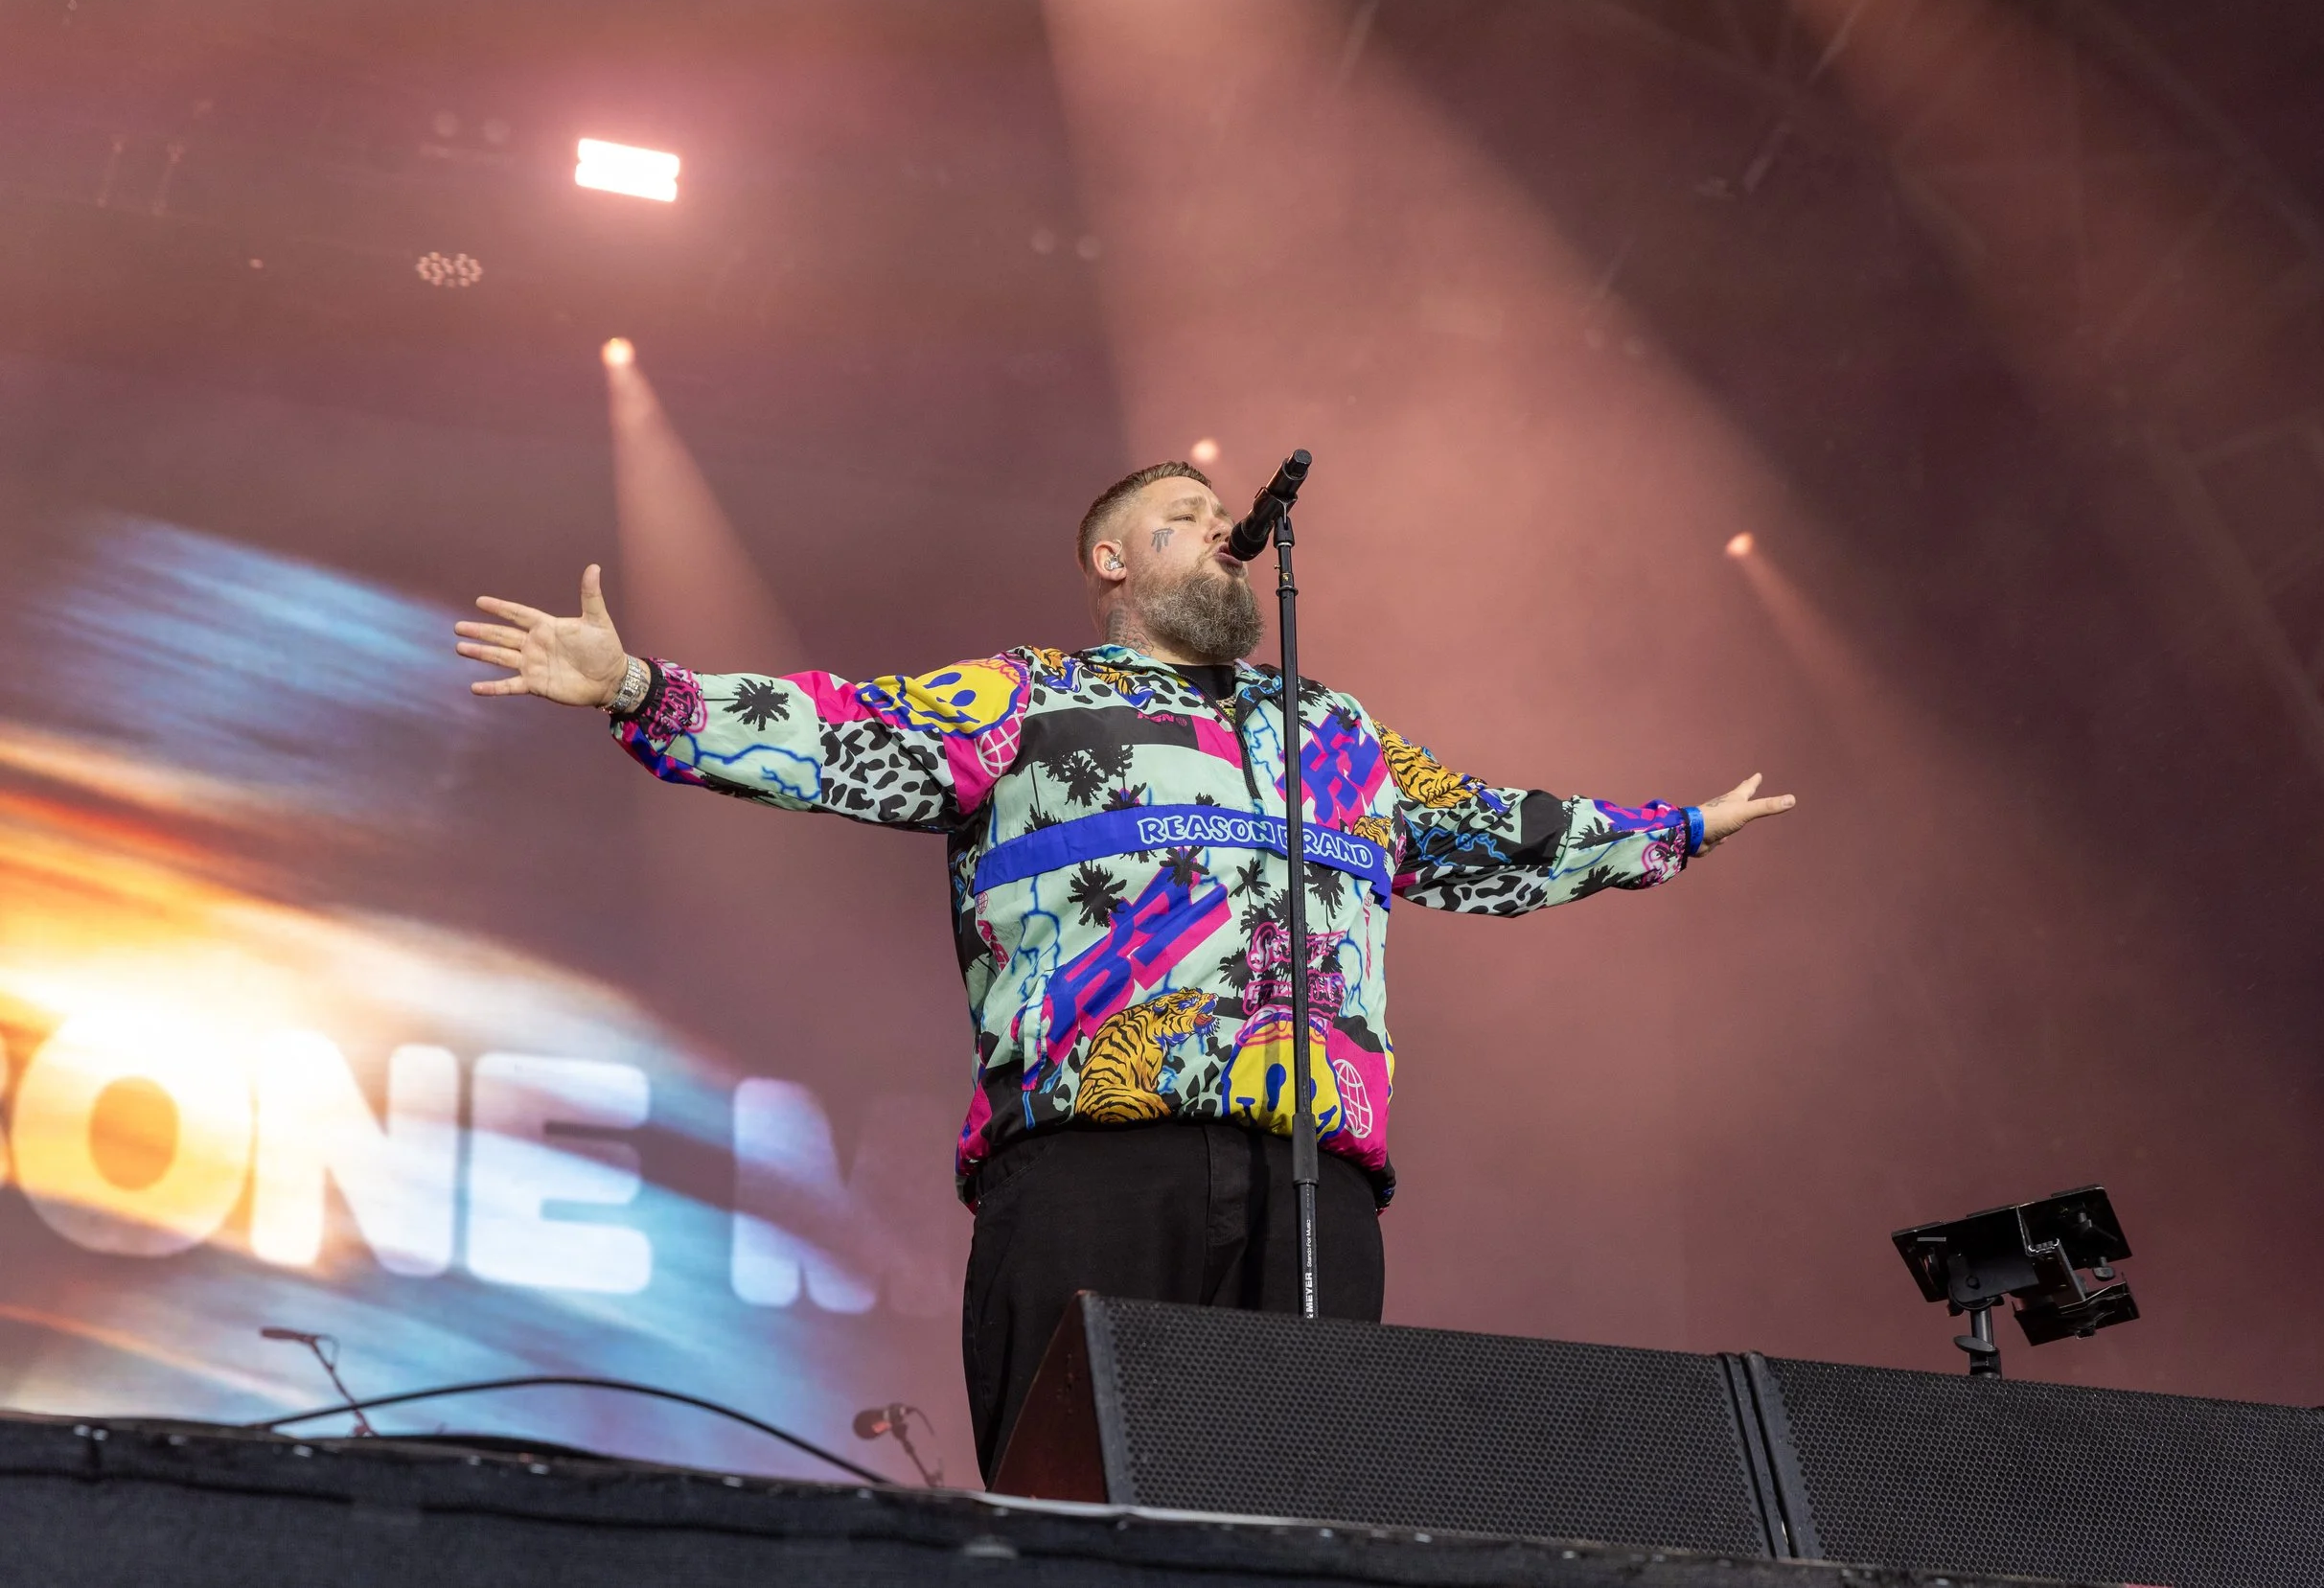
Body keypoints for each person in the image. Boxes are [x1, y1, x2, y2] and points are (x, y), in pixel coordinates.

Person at [454, 460, 1795, 1481]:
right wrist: (642, 688)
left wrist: (1669, 834)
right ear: (1111, 560)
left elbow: (1489, 830)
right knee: (1080, 1498)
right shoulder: (1026, 698)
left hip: (1312, 1176)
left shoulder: (1336, 733)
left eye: (1222, 518)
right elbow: (840, 733)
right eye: (1183, 518)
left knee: (1307, 1519)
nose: (1221, 530)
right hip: (1096, 1156)